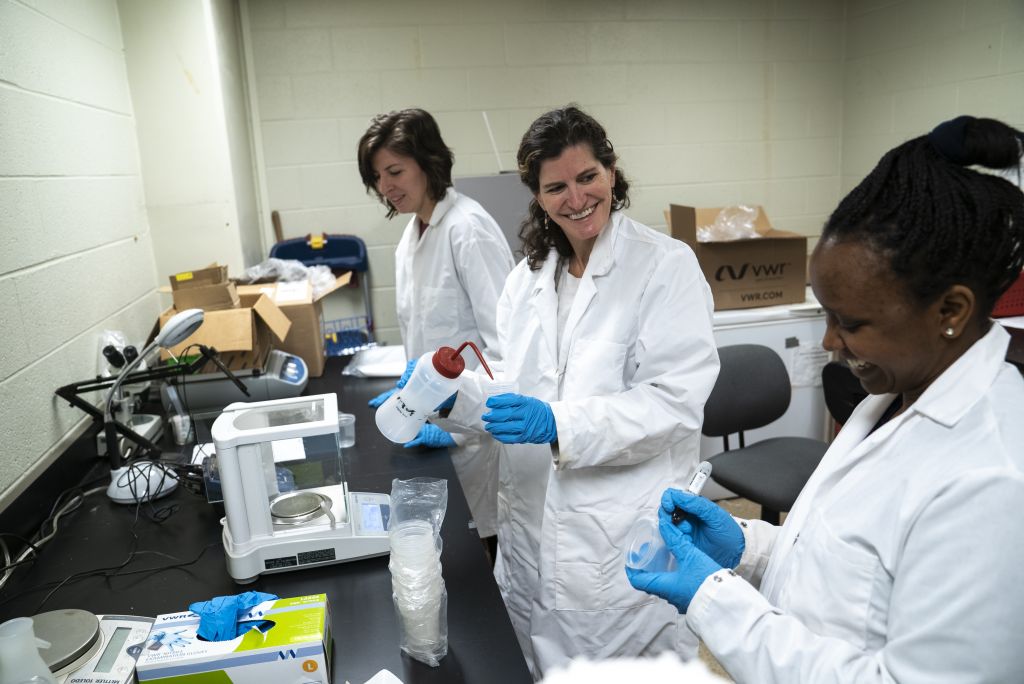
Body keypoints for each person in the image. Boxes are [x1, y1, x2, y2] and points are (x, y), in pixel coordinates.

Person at [627, 115, 1024, 683]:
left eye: (851, 322)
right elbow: (845, 570)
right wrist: (744, 545)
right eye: (826, 314)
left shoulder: (994, 480)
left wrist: (712, 599)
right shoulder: (891, 398)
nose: (829, 342)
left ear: (951, 312)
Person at [434, 105, 720, 679]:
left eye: (587, 177)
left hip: (617, 530)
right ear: (538, 197)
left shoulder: (665, 267)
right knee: (537, 662)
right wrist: (451, 401)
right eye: (556, 187)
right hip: (532, 521)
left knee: (622, 667)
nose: (576, 198)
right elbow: (511, 383)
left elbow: (673, 402)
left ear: (611, 172)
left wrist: (560, 425)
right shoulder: (528, 278)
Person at [357, 108, 514, 550]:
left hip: (477, 439)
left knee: (490, 556)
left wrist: (454, 412)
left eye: (395, 171)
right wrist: (413, 397)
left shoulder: (467, 229)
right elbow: (423, 336)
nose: (386, 187)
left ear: (428, 163)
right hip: (435, 428)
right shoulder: (412, 236)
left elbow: (507, 349)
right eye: (377, 176)